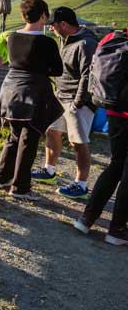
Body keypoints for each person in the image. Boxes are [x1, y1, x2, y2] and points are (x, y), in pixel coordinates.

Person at [0, 0, 63, 201]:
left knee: (14, 137)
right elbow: (57, 69)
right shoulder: (46, 42)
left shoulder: (12, 37)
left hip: (10, 90)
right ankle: (20, 187)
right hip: (33, 93)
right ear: (43, 16)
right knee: (28, 140)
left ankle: (1, 177)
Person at [31, 7, 97, 199]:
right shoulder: (63, 40)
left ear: (64, 24)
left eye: (53, 25)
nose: (51, 28)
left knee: (79, 142)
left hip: (78, 101)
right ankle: (49, 171)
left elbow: (88, 76)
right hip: (60, 96)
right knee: (51, 131)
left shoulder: (86, 44)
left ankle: (81, 185)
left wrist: (78, 102)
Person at [74, 28, 128, 245]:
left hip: (113, 109)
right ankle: (116, 230)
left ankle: (86, 219)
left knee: (116, 163)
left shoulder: (114, 36)